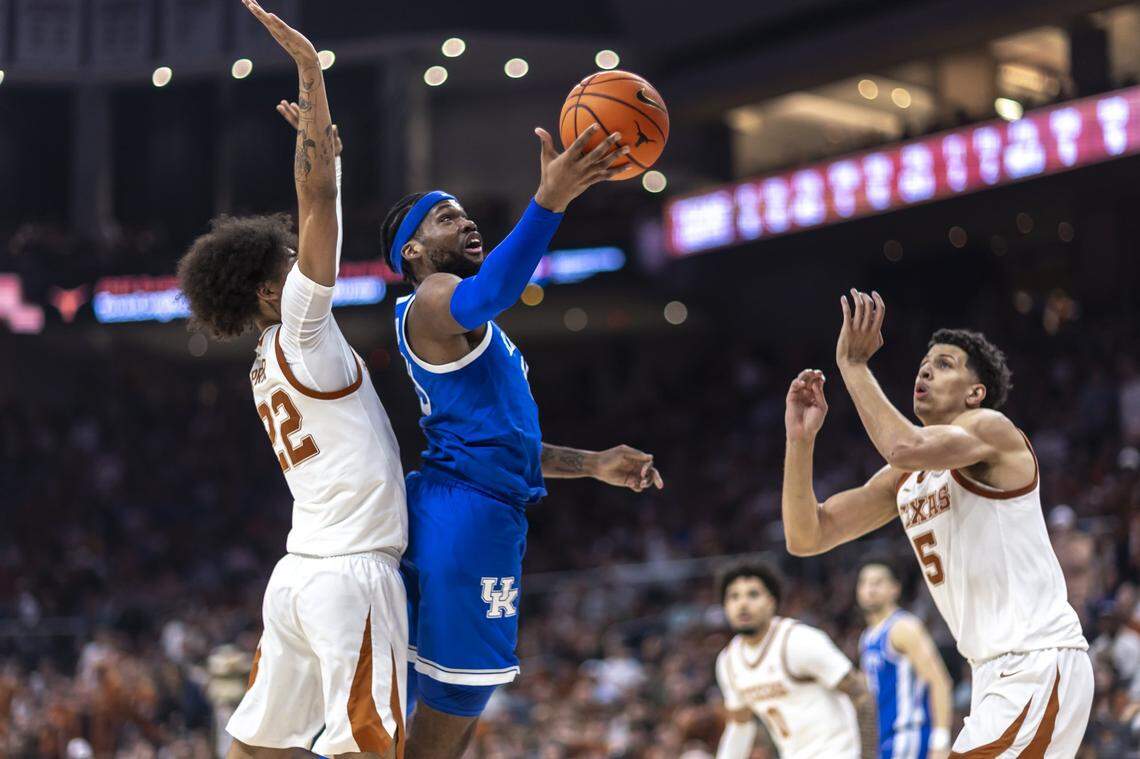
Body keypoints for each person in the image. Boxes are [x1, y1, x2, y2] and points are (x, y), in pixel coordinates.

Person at [379, 125, 664, 757]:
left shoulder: (467, 324)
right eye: (446, 219)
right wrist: (550, 199)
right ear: (415, 254)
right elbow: (497, 289)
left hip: (461, 505)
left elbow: (503, 446)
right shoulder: (430, 299)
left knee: (433, 708)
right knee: (451, 710)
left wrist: (591, 463)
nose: (468, 223)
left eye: (465, 213)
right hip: (467, 519)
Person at [176, 3, 406, 756]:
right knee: (368, 748)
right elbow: (318, 199)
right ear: (272, 292)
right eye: (289, 266)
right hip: (349, 576)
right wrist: (313, 76)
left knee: (253, 743)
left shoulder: (264, 360)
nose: (303, 263)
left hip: (297, 575)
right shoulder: (303, 330)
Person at [781, 289, 1093, 757]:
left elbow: (902, 446)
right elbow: (808, 536)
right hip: (991, 671)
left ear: (975, 392)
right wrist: (800, 441)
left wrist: (854, 366)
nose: (925, 369)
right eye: (925, 362)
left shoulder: (992, 428)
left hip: (1037, 658)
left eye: (945, 363)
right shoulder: (904, 478)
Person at [713, 561, 878, 758]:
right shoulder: (728, 661)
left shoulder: (798, 640)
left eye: (753, 594)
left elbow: (861, 694)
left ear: (771, 602)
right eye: (734, 597)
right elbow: (740, 727)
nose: (743, 604)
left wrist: (868, 755)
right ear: (724, 606)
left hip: (839, 751)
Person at [856, 558, 954, 759]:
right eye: (864, 583)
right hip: (882, 740)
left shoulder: (904, 627)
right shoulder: (866, 637)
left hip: (910, 736)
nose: (869, 588)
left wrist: (940, 740)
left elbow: (940, 682)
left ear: (895, 589)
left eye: (877, 582)